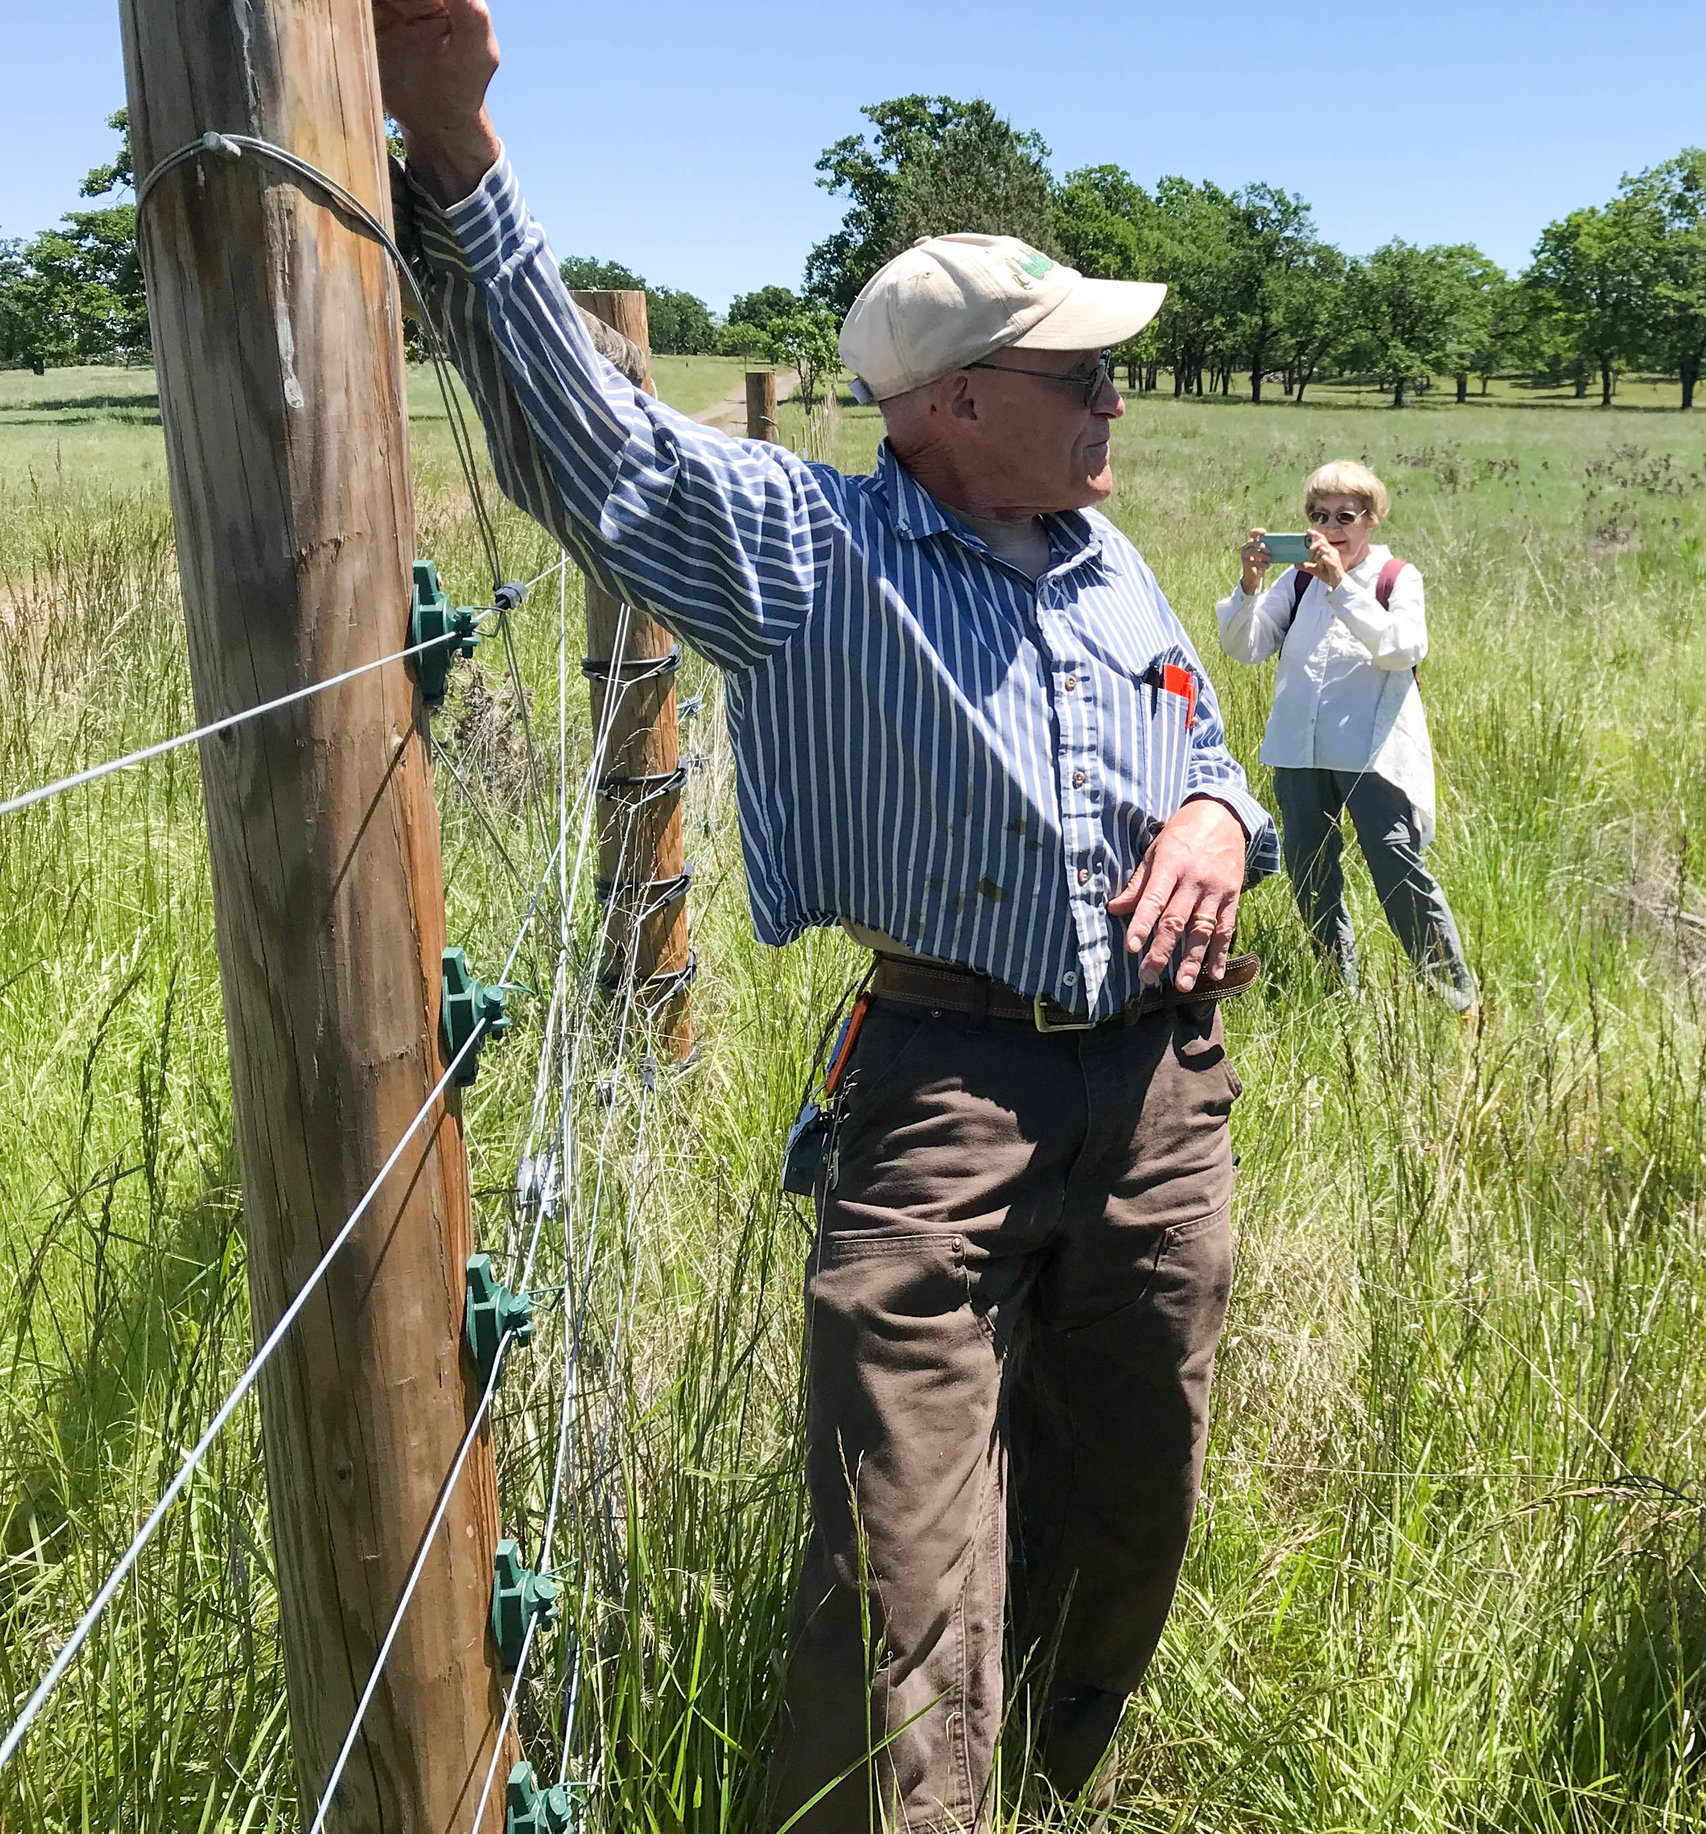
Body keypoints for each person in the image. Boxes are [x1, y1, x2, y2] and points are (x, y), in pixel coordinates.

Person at [374, 5, 1281, 1827]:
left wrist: (1218, 819)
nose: (1116, 398)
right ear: (946, 405)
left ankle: (1029, 1788)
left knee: (1128, 1510)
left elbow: (1211, 752)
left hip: (1165, 1105)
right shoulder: (814, 555)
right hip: (945, 1093)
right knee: (903, 1571)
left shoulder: (1114, 565)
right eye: (1074, 372)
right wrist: (461, 154)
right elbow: (604, 454)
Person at [1217, 461, 1477, 1009]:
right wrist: (1249, 584)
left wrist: (1342, 586)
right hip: (1298, 749)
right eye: (1317, 515)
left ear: (1372, 519)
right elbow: (1245, 648)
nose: (1330, 526)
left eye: (1344, 515)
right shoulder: (1298, 579)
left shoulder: (1396, 577)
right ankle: (1340, 991)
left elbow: (1401, 648)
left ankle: (1453, 998)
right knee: (1311, 872)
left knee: (1398, 867)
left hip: (1372, 752)